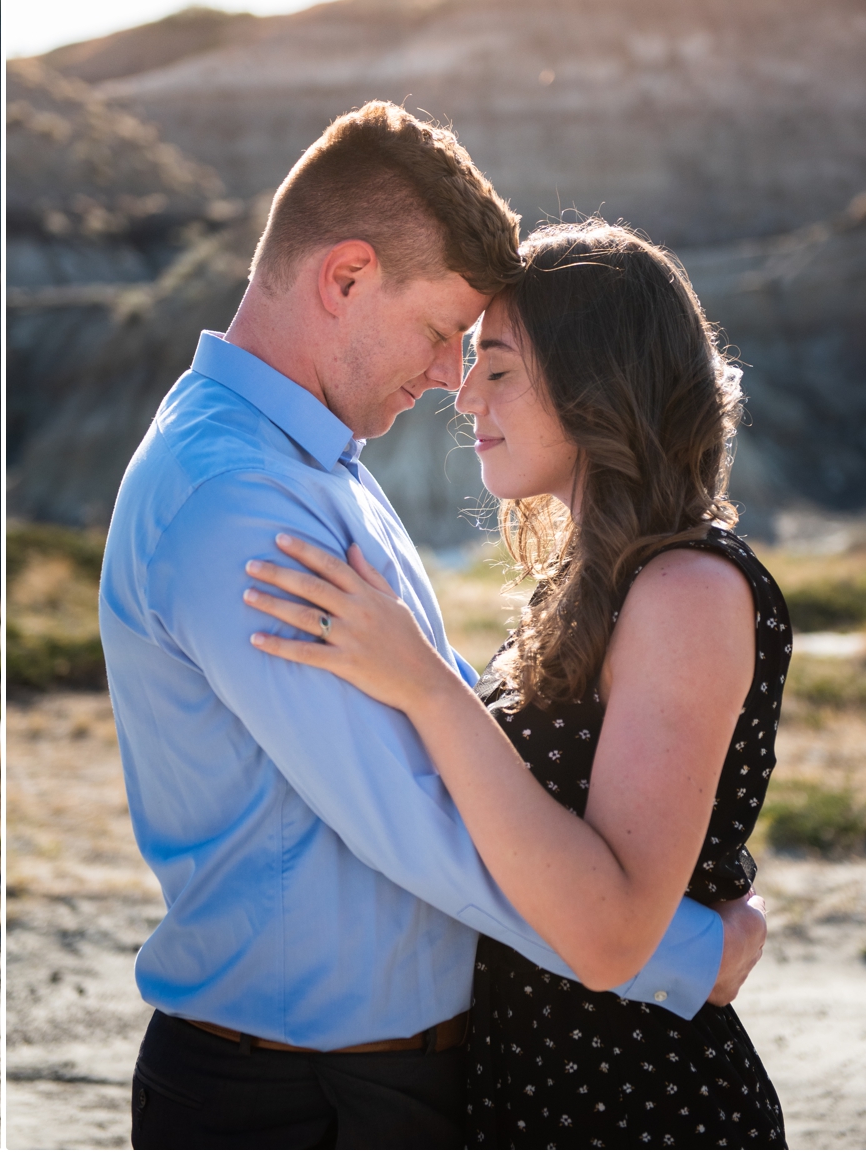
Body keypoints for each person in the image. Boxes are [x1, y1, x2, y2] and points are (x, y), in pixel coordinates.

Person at [97, 102, 768, 1149]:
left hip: (394, 1082)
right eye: (443, 332)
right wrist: (682, 955)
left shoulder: (320, 471)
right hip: (293, 1100)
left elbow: (460, 736)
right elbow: (403, 807)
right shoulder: (233, 496)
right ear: (348, 277)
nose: (451, 376)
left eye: (485, 356)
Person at [243, 221, 787, 1146]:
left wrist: (425, 683)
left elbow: (611, 933)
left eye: (497, 366)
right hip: (532, 1093)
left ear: (596, 383)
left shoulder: (687, 590)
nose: (463, 395)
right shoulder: (598, 583)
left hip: (636, 1106)